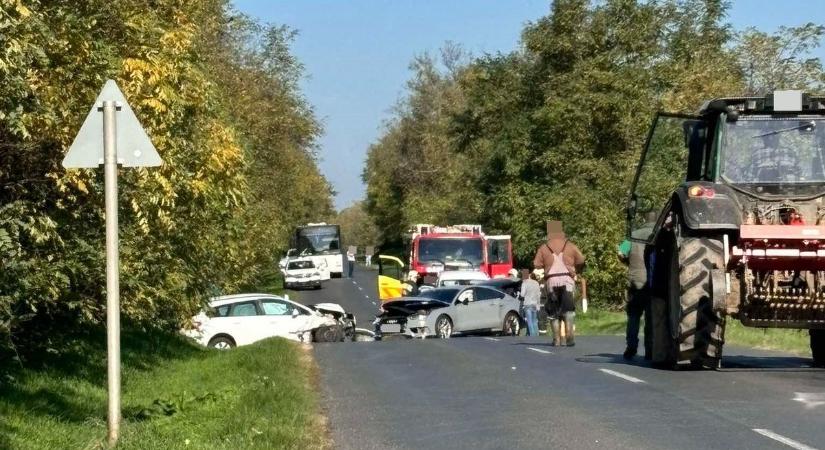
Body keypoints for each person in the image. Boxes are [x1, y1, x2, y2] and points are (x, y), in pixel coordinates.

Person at [533, 220, 585, 347]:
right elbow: (581, 259)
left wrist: (546, 263)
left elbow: (536, 264)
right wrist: (575, 268)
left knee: (553, 312)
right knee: (568, 310)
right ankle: (570, 338)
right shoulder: (570, 245)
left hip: (551, 282)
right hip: (567, 280)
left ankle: (556, 340)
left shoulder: (544, 247)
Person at [619, 214, 656, 360]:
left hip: (635, 280)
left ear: (645, 220)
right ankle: (650, 349)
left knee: (634, 316)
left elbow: (620, 252)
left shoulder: (633, 236)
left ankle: (631, 346)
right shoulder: (659, 234)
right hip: (654, 282)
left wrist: (628, 262)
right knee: (651, 316)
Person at [519, 269, 541, 336]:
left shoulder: (524, 283)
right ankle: (537, 335)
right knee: (534, 321)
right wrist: (538, 305)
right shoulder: (536, 283)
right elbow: (538, 295)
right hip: (535, 304)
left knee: (529, 321)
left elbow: (522, 294)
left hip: (527, 304)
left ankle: (532, 336)